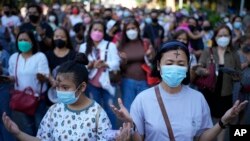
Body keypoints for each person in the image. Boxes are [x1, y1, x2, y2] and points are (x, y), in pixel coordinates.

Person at [111, 40, 248, 141]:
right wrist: (131, 126)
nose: (175, 67)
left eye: (181, 64)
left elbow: (202, 138)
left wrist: (223, 121)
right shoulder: (143, 99)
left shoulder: (197, 99)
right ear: (159, 65)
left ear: (188, 66)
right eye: (169, 63)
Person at [2, 53, 113, 141]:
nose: (60, 91)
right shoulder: (54, 111)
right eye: (58, 86)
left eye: (65, 87)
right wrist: (18, 133)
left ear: (82, 87)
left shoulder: (97, 113)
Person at [195, 25, 242, 141]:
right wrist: (204, 71)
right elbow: (198, 68)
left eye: (226, 35)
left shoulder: (234, 54)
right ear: (215, 37)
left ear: (230, 37)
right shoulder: (208, 51)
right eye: (220, 35)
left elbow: (239, 74)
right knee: (206, 119)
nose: (223, 37)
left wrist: (234, 74)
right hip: (209, 90)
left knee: (223, 120)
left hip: (226, 92)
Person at [3, 30, 50, 136]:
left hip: (37, 99)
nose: (22, 42)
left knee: (41, 127)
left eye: (25, 40)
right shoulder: (14, 57)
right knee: (26, 128)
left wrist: (42, 77)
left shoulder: (40, 56)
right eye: (20, 40)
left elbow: (45, 76)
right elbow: (13, 77)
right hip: (21, 98)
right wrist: (7, 79)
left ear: (32, 42)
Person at [79, 21, 120, 128]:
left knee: (110, 110)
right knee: (94, 110)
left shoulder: (110, 45)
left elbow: (116, 63)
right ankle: (96, 134)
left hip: (108, 83)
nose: (97, 32)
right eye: (95, 29)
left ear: (104, 32)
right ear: (90, 31)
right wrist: (90, 66)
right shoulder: (84, 47)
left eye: (100, 30)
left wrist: (105, 64)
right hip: (92, 85)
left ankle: (112, 135)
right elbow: (80, 66)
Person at [119, 18, 154, 111]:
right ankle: (130, 126)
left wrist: (150, 55)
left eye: (133, 28)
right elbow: (119, 68)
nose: (131, 31)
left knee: (144, 109)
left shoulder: (145, 43)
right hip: (127, 81)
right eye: (128, 29)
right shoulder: (122, 45)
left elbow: (152, 61)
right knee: (129, 109)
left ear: (138, 29)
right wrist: (123, 61)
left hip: (144, 81)